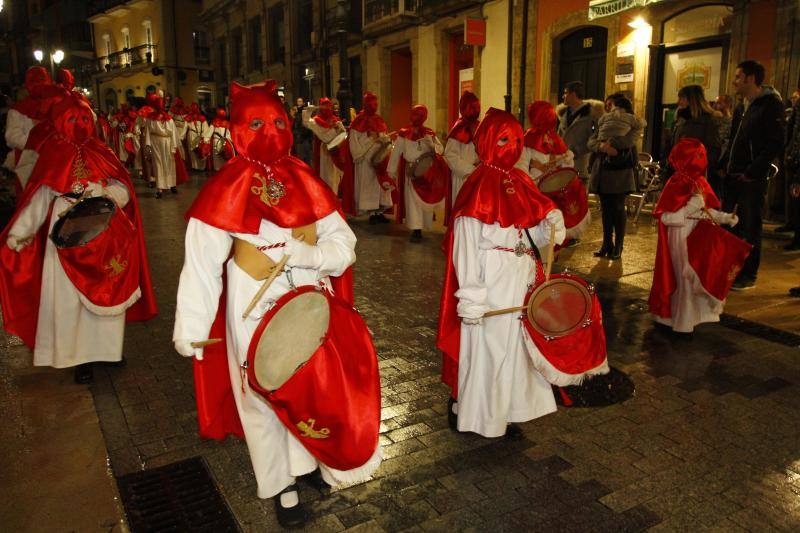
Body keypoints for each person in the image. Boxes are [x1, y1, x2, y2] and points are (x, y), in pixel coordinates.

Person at [173, 80, 381, 528]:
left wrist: (313, 256)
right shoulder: (223, 188)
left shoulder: (307, 179)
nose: (268, 130)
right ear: (236, 129)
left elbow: (344, 242)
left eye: (277, 121)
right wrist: (192, 322)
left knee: (311, 382)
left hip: (309, 298)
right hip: (251, 303)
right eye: (256, 123)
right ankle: (279, 482)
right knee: (263, 394)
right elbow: (201, 263)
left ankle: (310, 462)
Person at [0, 93, 157, 384]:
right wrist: (21, 232)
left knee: (107, 290)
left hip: (103, 227)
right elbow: (40, 197)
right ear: (59, 121)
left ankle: (107, 352)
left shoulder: (102, 151)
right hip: (65, 231)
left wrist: (106, 196)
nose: (80, 124)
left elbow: (122, 186)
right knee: (69, 299)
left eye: (85, 118)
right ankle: (79, 357)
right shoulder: (52, 154)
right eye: (72, 119)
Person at [436, 108, 566, 438]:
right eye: (505, 139)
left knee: (516, 350)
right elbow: (464, 248)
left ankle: (508, 409)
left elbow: (530, 235)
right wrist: (472, 295)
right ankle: (483, 416)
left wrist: (551, 227)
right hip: (491, 283)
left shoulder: (522, 181)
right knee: (489, 352)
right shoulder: (476, 187)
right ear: (489, 142)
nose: (513, 146)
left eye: (518, 140)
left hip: (520, 279)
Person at [648, 139, 739, 333]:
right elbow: (665, 217)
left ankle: (693, 317)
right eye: (697, 155)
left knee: (698, 274)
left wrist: (725, 218)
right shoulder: (676, 183)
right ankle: (681, 321)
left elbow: (706, 210)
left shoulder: (700, 182)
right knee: (684, 276)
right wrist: (690, 206)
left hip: (699, 233)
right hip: (680, 234)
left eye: (702, 155)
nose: (702, 159)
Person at [719, 60, 786, 290]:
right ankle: (732, 269)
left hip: (751, 177)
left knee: (750, 225)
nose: (735, 81)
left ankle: (749, 274)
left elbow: (775, 142)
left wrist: (752, 171)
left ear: (750, 78)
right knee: (732, 225)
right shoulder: (742, 106)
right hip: (733, 174)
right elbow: (735, 138)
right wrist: (723, 164)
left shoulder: (770, 105)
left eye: (738, 76)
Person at [588, 94, 644, 259]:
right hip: (603, 169)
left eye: (610, 104)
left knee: (618, 208)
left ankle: (618, 246)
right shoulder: (604, 121)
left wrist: (612, 144)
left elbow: (629, 141)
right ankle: (607, 244)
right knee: (605, 209)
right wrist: (602, 147)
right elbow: (591, 142)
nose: (608, 108)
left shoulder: (630, 123)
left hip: (621, 170)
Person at [388, 104, 445, 242]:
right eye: (415, 114)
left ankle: (423, 225)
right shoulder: (404, 133)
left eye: (420, 115)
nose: (417, 118)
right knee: (413, 200)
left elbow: (440, 149)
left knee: (423, 199)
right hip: (411, 171)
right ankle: (416, 228)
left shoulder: (429, 133)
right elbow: (396, 152)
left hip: (427, 171)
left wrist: (430, 144)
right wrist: (391, 170)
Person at [666, 85, 723, 197]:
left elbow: (714, 149)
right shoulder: (680, 120)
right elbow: (673, 146)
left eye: (682, 98)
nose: (679, 102)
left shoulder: (707, 121)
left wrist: (699, 170)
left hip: (696, 178)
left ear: (692, 100)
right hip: (678, 175)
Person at [348, 92, 394, 223]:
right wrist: (362, 151)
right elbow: (354, 141)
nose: (374, 106)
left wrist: (383, 139)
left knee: (379, 185)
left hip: (379, 158)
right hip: (365, 160)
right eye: (371, 104)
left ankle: (379, 211)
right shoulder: (358, 121)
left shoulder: (379, 119)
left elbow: (384, 136)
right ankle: (371, 212)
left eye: (376, 103)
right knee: (368, 186)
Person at [4, 67, 52, 193]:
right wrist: (37, 142)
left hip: (55, 161)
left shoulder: (56, 104)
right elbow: (12, 137)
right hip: (30, 164)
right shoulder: (19, 109)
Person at [557, 81, 604, 181]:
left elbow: (594, 140)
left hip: (579, 167)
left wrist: (574, 152)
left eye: (566, 93)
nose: (563, 96)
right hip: (561, 166)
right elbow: (559, 136)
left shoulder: (591, 116)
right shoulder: (564, 114)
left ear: (573, 94)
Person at [144, 94, 187, 198]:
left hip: (164, 142)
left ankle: (171, 184)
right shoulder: (153, 118)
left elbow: (173, 134)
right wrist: (148, 145)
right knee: (159, 164)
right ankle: (160, 188)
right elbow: (148, 132)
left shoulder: (168, 119)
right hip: (157, 142)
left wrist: (173, 147)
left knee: (168, 164)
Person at [444, 91, 481, 204]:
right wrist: (469, 170)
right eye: (472, 107)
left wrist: (481, 167)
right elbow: (450, 155)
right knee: (463, 206)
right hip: (463, 176)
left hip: (480, 174)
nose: (474, 110)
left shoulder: (481, 127)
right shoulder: (458, 129)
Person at [305, 97, 346, 193]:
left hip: (335, 150)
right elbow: (306, 122)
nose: (326, 108)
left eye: (328, 106)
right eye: (324, 106)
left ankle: (334, 193)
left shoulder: (336, 120)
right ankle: (326, 194)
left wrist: (339, 129)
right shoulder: (316, 120)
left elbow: (343, 134)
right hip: (323, 150)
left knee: (334, 174)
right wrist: (308, 111)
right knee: (324, 174)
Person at [783, 88, 800, 251]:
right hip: (794, 157)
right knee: (793, 197)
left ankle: (798, 237)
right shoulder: (797, 106)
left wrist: (793, 154)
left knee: (797, 197)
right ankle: (792, 225)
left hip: (797, 159)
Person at [206, 107, 233, 171]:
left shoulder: (214, 122)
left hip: (216, 142)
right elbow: (229, 135)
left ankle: (217, 171)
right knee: (224, 157)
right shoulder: (227, 123)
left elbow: (209, 132)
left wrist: (206, 140)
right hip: (225, 142)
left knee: (217, 159)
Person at [185, 103, 211, 171]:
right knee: (201, 149)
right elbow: (206, 129)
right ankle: (202, 167)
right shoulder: (202, 118)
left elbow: (185, 128)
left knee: (193, 151)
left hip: (192, 135)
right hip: (201, 135)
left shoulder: (188, 118)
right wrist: (205, 138)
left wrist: (181, 137)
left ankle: (195, 166)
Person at [292, 97, 313, 165]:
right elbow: (295, 126)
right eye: (298, 101)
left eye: (301, 101)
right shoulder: (296, 114)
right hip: (299, 138)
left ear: (303, 102)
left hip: (305, 138)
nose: (299, 103)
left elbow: (308, 125)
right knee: (301, 157)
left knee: (307, 157)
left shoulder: (305, 112)